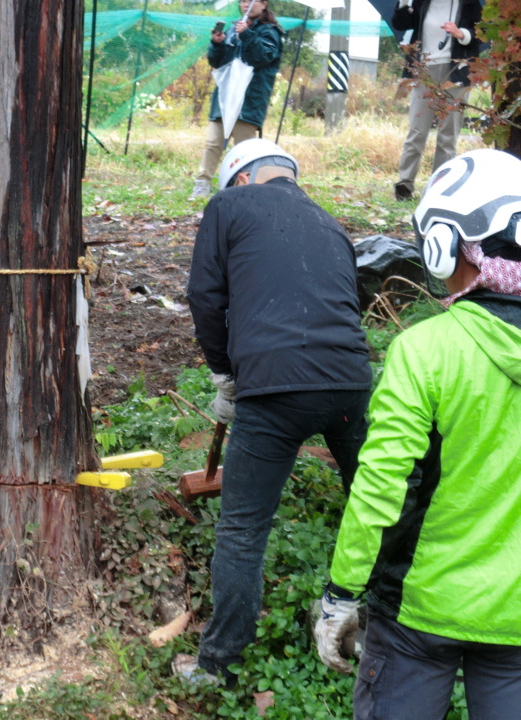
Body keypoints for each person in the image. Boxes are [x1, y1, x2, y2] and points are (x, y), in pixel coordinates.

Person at [314, 148, 521, 719]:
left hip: (419, 613)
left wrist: (342, 593)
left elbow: (384, 484)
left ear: (444, 244)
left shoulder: (426, 350)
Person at [177, 138, 372, 687]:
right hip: (351, 386)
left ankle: (217, 666)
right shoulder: (331, 223)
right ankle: (387, 641)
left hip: (275, 391)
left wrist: (224, 373)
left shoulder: (229, 206)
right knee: (382, 508)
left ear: (240, 179)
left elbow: (204, 295)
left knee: (242, 529)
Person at [189, 0, 283, 200]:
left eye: (251, 0)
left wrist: (247, 35)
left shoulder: (270, 31)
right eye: (242, 1)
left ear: (264, 4)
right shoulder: (233, 28)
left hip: (249, 99)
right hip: (225, 96)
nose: (246, 4)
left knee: (244, 148)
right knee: (213, 142)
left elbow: (263, 57)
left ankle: (242, 190)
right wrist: (217, 44)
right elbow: (217, 62)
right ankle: (202, 184)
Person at [391, 0, 481, 201]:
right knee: (417, 130)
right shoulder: (422, 2)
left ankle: (440, 187)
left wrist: (461, 34)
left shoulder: (469, 3)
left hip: (456, 72)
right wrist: (405, 2)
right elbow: (401, 23)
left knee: (448, 134)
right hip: (423, 71)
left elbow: (480, 35)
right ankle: (405, 184)